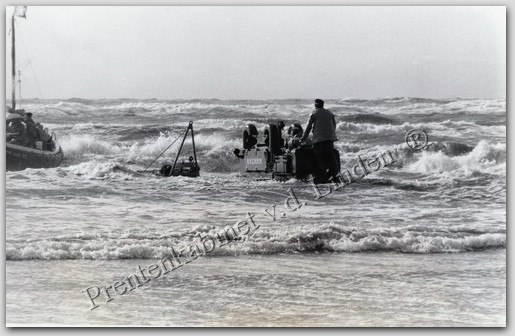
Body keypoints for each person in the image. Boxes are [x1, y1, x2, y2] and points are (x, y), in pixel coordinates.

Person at [300, 99, 339, 183]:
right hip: (330, 139)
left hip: (319, 140)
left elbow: (308, 126)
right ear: (323, 105)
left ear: (315, 105)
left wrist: (304, 137)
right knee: (331, 158)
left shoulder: (314, 113)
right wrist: (330, 135)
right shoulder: (329, 113)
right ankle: (336, 177)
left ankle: (323, 176)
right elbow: (334, 125)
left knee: (319, 157)